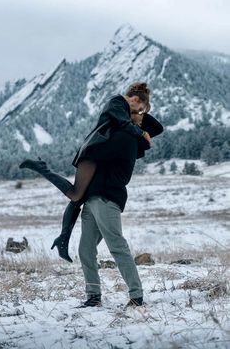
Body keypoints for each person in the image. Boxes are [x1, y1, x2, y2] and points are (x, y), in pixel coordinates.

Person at [19, 82, 155, 262]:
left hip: (99, 154)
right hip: (93, 152)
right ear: (136, 99)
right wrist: (139, 133)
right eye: (141, 109)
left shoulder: (122, 109)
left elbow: (124, 135)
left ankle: (63, 240)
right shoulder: (117, 102)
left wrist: (141, 139)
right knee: (76, 195)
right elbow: (123, 124)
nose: (139, 113)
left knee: (79, 198)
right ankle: (41, 168)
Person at [77, 109, 163, 308]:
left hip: (106, 197)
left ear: (141, 126)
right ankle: (93, 295)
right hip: (93, 198)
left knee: (117, 246)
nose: (132, 113)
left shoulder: (126, 139)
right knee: (86, 250)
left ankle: (136, 295)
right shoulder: (125, 136)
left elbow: (95, 151)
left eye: (139, 114)